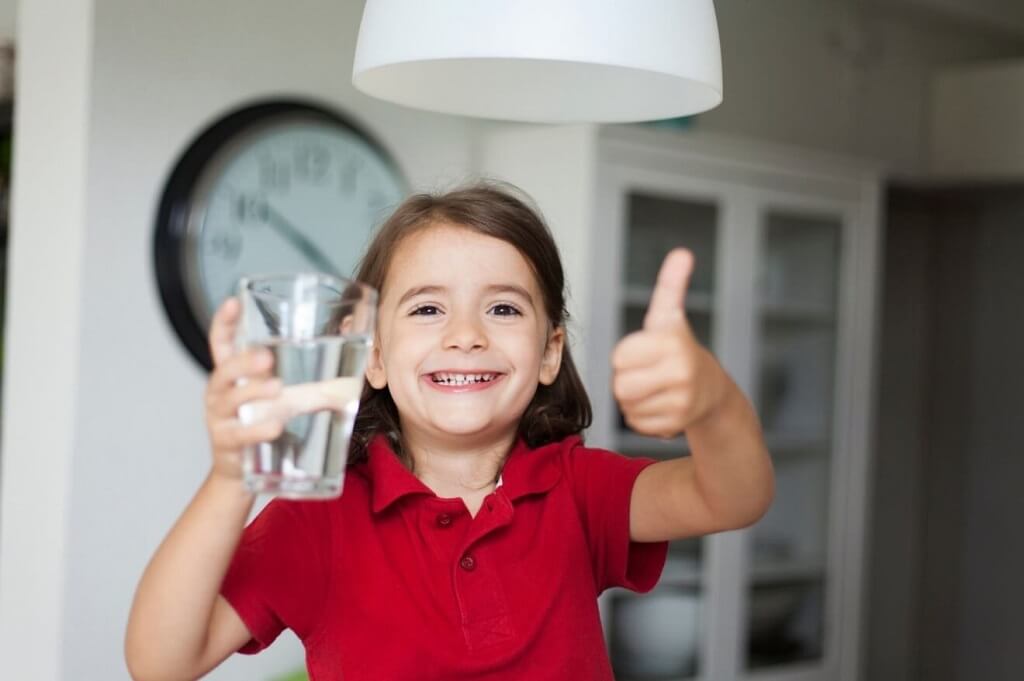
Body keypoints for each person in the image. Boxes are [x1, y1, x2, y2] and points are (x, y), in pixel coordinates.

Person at [125, 182, 774, 681]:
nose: (466, 334)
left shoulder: (579, 489)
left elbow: (735, 496)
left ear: (550, 352)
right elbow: (160, 661)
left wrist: (711, 401)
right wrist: (231, 477)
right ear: (371, 355)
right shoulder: (316, 518)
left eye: (502, 307)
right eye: (429, 308)